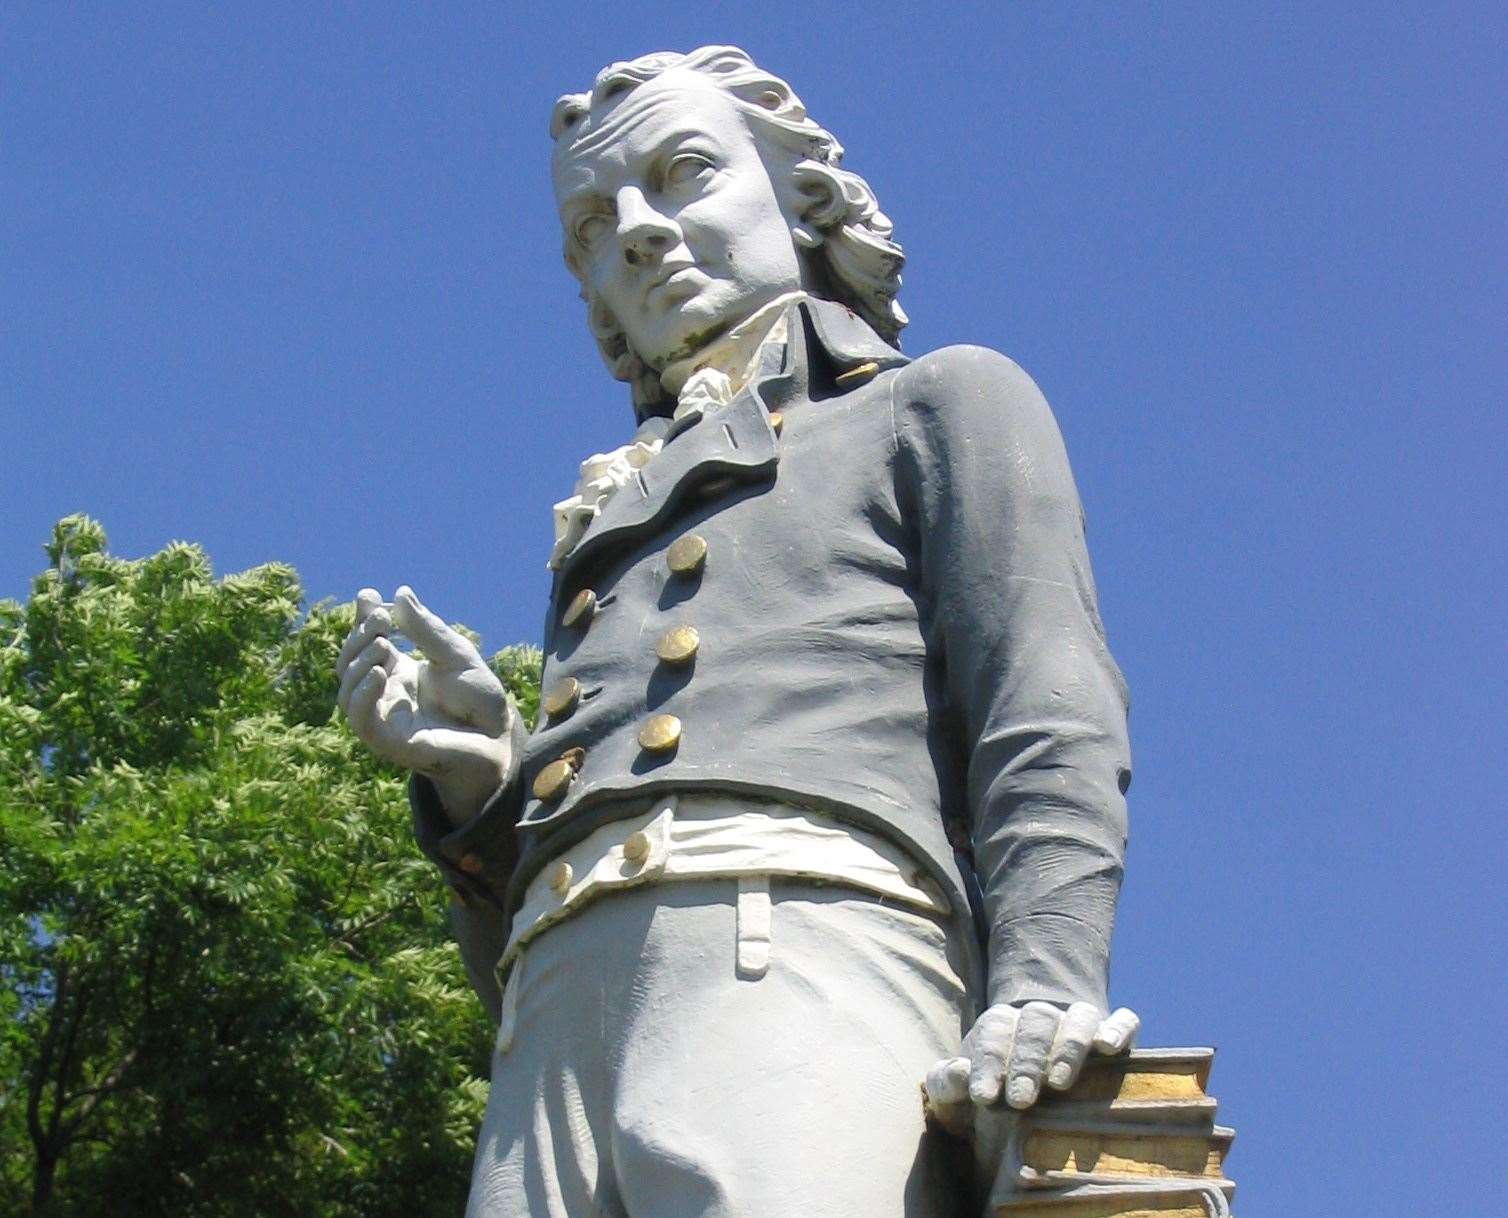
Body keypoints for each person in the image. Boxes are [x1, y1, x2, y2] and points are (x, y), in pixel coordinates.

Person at [336, 46, 1140, 1218]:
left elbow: (1044, 704)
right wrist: (482, 801)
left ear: (799, 195)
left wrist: (1042, 978)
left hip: (793, 953)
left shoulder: (933, 403)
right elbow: (515, 959)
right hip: (550, 1030)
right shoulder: (599, 525)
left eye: (684, 174)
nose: (639, 234)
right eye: (593, 230)